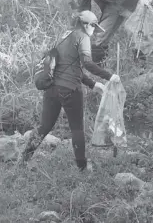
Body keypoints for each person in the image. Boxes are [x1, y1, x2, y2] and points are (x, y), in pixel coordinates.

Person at [18, 11, 121, 171]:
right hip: (70, 90)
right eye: (94, 26)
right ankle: (82, 168)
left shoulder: (64, 36)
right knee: (77, 129)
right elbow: (87, 63)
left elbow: (70, 67)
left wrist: (93, 84)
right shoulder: (83, 37)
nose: (94, 31)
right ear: (87, 25)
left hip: (52, 89)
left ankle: (23, 160)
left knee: (44, 126)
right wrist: (109, 76)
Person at [63, 0, 153, 65]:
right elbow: (84, 8)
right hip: (111, 7)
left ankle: (141, 67)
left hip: (130, 0)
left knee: (141, 32)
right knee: (100, 37)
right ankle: (99, 68)